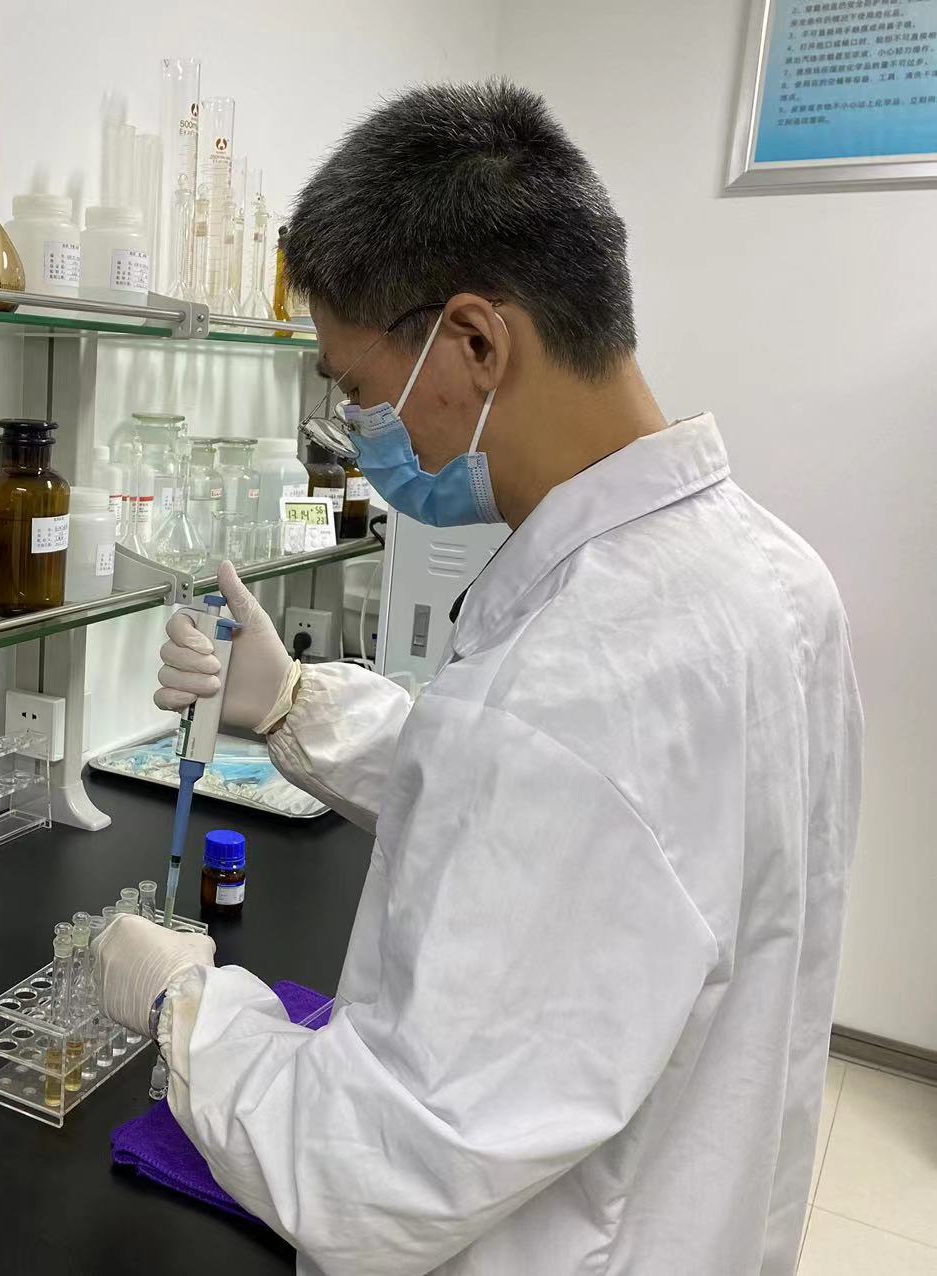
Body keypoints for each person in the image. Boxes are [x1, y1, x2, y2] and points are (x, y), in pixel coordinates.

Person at [92, 81, 863, 1275]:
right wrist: (296, 702)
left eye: (358, 389)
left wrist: (185, 1005)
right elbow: (583, 822)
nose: (360, 431)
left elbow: (370, 1170)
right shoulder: (772, 577)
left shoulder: (576, 687)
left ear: (475, 343)